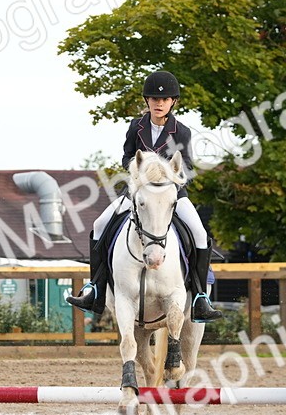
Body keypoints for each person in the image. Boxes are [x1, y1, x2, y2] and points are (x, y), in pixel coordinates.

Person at [67, 70, 223, 322]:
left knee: (200, 233)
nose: (159, 103)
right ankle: (94, 290)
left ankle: (200, 298)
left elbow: (189, 166)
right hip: (137, 191)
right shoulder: (135, 126)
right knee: (99, 225)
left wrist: (166, 172)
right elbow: (127, 156)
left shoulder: (181, 132)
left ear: (173, 102)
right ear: (147, 101)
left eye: (164, 99)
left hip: (170, 194)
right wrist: (139, 168)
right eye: (153, 99)